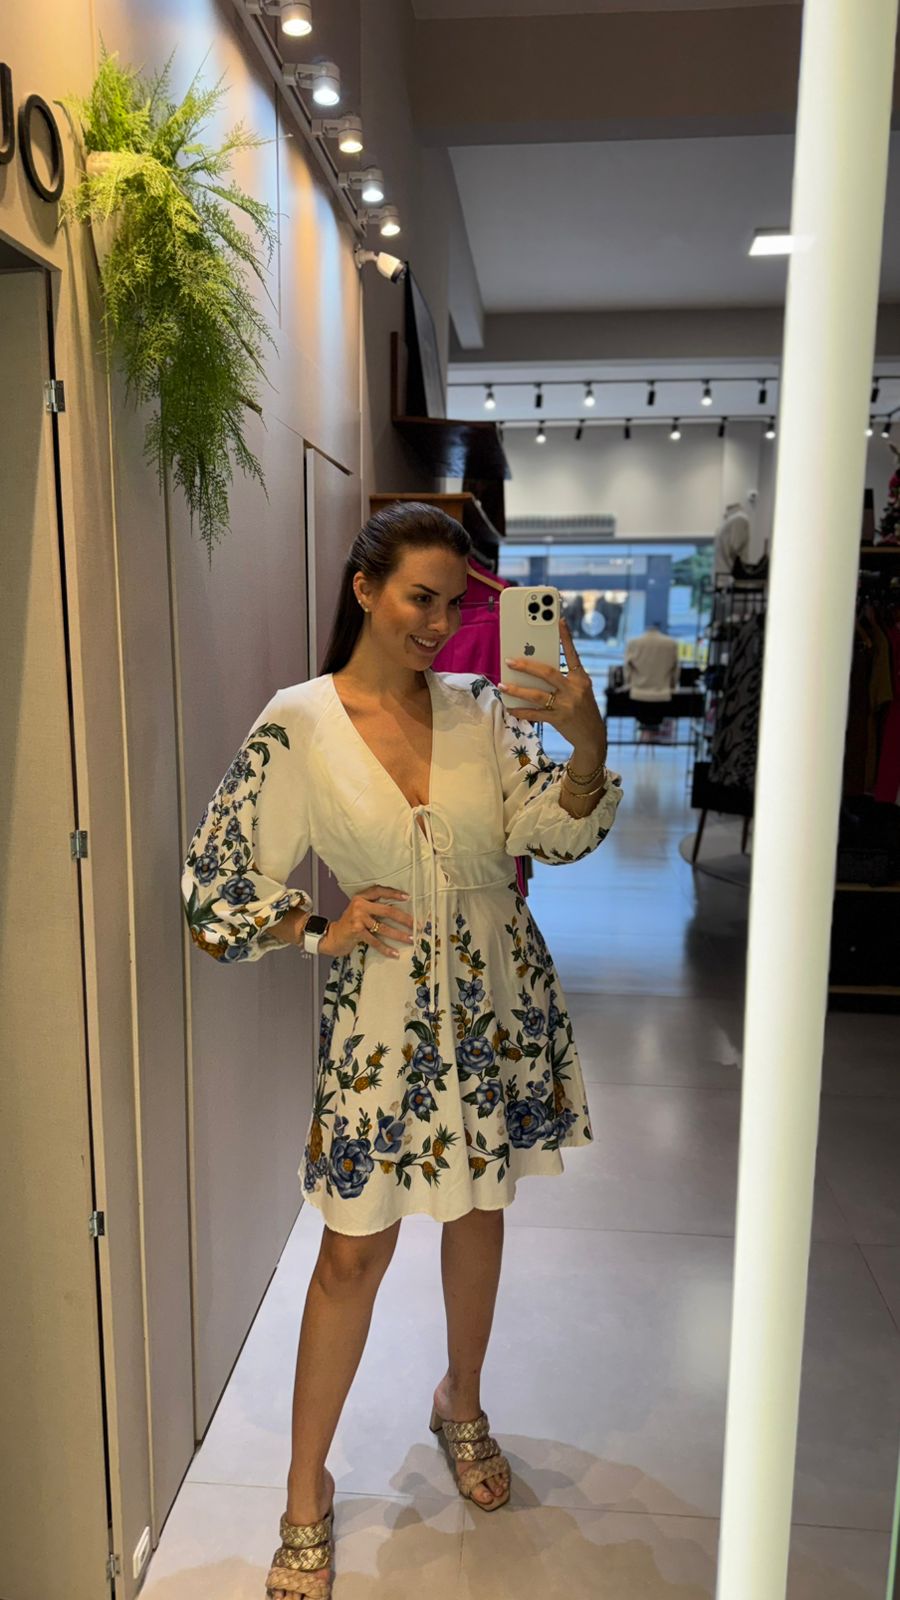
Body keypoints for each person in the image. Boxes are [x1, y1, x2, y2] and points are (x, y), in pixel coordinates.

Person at [181, 503, 623, 1600]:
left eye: (454, 603)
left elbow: (555, 833)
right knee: (350, 1253)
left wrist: (589, 742)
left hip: (498, 1000)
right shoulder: (300, 722)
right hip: (381, 1027)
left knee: (480, 1210)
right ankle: (304, 1486)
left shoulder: (485, 708)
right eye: (420, 597)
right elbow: (213, 879)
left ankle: (460, 1401)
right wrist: (311, 927)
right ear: (366, 588)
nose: (438, 622)